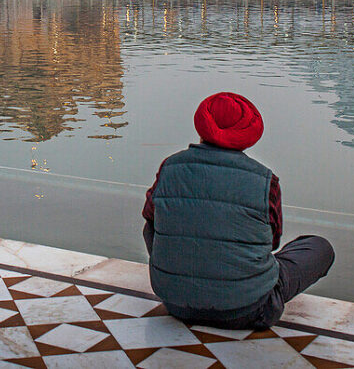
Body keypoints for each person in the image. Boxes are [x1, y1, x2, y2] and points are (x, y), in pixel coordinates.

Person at [142, 92, 334, 329]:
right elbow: (271, 243)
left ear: (202, 126)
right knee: (319, 247)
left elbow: (150, 222)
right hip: (251, 309)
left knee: (154, 220)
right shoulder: (265, 181)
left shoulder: (170, 167)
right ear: (248, 135)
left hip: (176, 303)